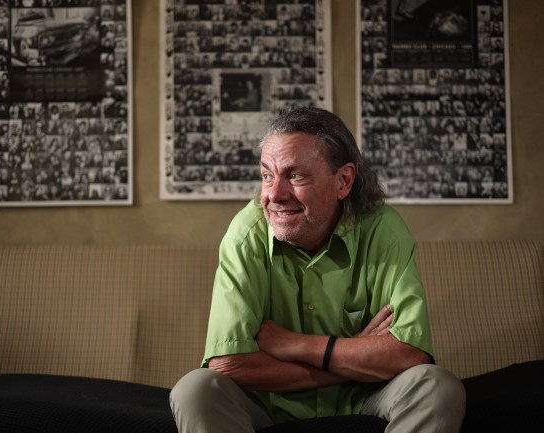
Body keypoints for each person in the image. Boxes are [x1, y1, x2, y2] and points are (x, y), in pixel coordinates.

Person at [170, 106, 466, 433]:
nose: (274, 195)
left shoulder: (384, 230)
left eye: (295, 176)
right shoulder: (245, 235)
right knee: (194, 389)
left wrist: (297, 344)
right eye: (267, 175)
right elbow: (229, 364)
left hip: (366, 399)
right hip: (267, 405)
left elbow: (409, 354)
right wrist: (350, 356)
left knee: (437, 386)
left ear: (343, 181)